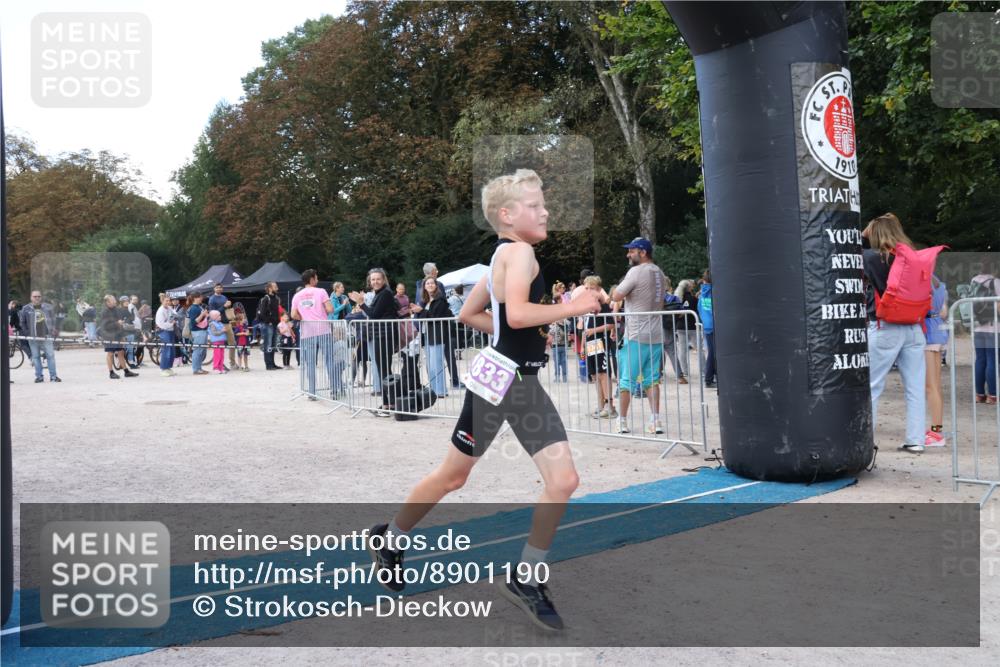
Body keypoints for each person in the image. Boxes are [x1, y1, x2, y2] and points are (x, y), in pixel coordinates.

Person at [367, 169, 600, 631]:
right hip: (503, 383)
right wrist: (572, 306)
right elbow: (515, 313)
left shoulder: (501, 255)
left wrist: (526, 334)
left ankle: (526, 578)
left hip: (517, 382)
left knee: (563, 480)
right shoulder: (520, 251)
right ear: (508, 215)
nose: (546, 210)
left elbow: (475, 313)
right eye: (536, 205)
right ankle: (389, 538)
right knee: (453, 477)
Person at [862, 213, 927, 453]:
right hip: (914, 327)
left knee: (873, 385)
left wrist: (862, 235)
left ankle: (866, 439)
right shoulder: (912, 258)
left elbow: (847, 251)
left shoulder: (870, 258)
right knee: (915, 387)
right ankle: (916, 440)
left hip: (885, 326)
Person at [610, 237, 667, 434]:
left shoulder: (636, 271)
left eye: (631, 251)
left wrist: (619, 292)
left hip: (635, 334)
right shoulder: (659, 272)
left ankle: (622, 421)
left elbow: (616, 295)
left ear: (642, 252)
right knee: (652, 379)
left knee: (626, 379)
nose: (628, 254)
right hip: (656, 334)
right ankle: (655, 420)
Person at [349, 268, 398, 412]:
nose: (375, 282)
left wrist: (361, 302)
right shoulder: (380, 294)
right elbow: (373, 313)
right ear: (369, 282)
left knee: (384, 370)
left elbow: (374, 315)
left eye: (378, 279)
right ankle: (388, 403)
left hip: (384, 335)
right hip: (381, 334)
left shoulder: (385, 294)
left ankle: (389, 404)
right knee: (383, 369)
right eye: (373, 279)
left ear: (383, 280)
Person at [291, 269, 334, 399]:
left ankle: (312, 392)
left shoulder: (297, 295)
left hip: (307, 331)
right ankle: (335, 390)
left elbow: (293, 314)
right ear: (312, 279)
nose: (318, 279)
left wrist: (304, 317)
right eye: (316, 277)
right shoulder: (321, 291)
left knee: (310, 362)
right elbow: (330, 309)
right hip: (323, 329)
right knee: (329, 360)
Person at [579, 275, 617, 418]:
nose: (589, 291)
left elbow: (611, 324)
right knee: (595, 375)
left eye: (592, 288)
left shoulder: (604, 305)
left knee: (603, 374)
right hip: (590, 344)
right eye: (586, 288)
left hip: (601, 342)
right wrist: (582, 346)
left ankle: (610, 405)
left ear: (598, 289)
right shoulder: (588, 305)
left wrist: (594, 331)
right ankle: (601, 404)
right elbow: (585, 327)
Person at [411, 277, 451, 398]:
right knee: (430, 365)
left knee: (437, 363)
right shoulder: (425, 300)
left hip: (437, 334)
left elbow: (434, 316)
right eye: (427, 283)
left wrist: (420, 310)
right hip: (427, 334)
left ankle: (441, 390)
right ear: (424, 287)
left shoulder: (440, 299)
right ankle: (434, 390)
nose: (429, 285)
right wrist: (418, 311)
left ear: (436, 285)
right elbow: (424, 316)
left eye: (432, 283)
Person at [923, 274, 949, 447]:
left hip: (928, 334)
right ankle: (937, 428)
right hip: (939, 331)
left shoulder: (924, 284)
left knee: (930, 386)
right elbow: (944, 313)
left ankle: (936, 433)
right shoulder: (940, 284)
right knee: (936, 386)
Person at [970, 271, 1000, 404]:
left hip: (977, 327)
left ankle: (979, 394)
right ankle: (992, 395)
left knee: (980, 359)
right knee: (992, 360)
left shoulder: (974, 281)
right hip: (993, 328)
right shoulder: (996, 282)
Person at [19, 290, 61, 383]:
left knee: (50, 356)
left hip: (46, 336)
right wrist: (27, 333)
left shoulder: (48, 307)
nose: (37, 298)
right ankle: (39, 377)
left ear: (41, 297)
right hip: (33, 337)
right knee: (36, 357)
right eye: (35, 296)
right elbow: (22, 322)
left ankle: (53, 377)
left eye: (38, 296)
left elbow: (54, 319)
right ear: (31, 297)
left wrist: (54, 329)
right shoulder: (26, 308)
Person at [98, 294, 137, 379]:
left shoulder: (116, 310)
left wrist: (122, 335)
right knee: (110, 354)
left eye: (115, 300)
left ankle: (126, 371)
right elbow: (105, 326)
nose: (115, 301)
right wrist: (117, 323)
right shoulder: (104, 312)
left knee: (121, 352)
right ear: (107, 302)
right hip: (109, 336)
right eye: (113, 300)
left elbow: (120, 323)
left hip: (118, 335)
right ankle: (111, 372)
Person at [208, 283, 236, 369]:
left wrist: (229, 305)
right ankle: (220, 364)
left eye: (220, 287)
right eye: (217, 287)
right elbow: (213, 314)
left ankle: (232, 363)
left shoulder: (224, 297)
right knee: (220, 345)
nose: (219, 289)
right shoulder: (212, 299)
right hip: (218, 324)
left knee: (232, 343)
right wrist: (224, 306)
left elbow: (227, 309)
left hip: (227, 323)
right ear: (214, 289)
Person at [256, 281, 282, 370]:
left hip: (274, 324)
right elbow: (262, 313)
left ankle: (273, 363)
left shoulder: (276, 298)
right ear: (270, 288)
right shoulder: (266, 299)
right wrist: (269, 321)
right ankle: (268, 365)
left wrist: (277, 321)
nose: (277, 288)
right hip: (267, 325)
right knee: (268, 344)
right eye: (275, 286)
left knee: (273, 344)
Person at [698, 269, 717, 388]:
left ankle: (710, 377)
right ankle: (709, 378)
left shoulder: (701, 293)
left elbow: (700, 309)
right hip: (715, 325)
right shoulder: (715, 292)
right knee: (713, 353)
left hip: (707, 325)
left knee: (712, 352)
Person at [155, 293, 178, 377]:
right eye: (166, 301)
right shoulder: (160, 311)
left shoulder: (169, 308)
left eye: (169, 300)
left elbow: (175, 314)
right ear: (162, 301)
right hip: (163, 331)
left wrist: (174, 318)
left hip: (170, 331)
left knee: (172, 350)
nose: (168, 302)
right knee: (166, 350)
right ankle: (163, 368)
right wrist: (171, 323)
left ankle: (168, 367)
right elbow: (161, 324)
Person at [188, 292, 210, 375]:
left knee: (201, 351)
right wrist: (203, 314)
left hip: (202, 331)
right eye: (200, 297)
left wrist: (206, 315)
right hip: (198, 332)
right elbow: (194, 322)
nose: (202, 298)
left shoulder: (199, 307)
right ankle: (196, 369)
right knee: (198, 350)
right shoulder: (193, 308)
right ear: (195, 298)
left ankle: (199, 368)